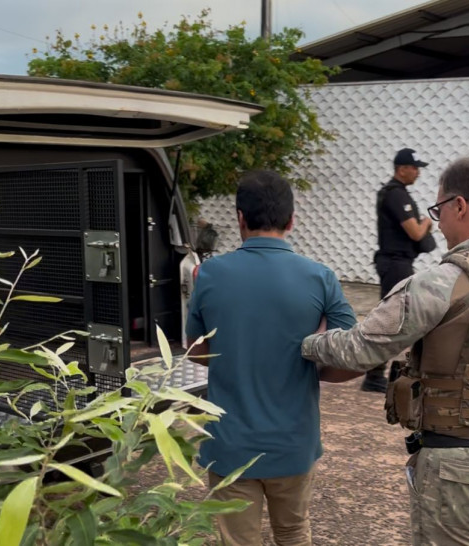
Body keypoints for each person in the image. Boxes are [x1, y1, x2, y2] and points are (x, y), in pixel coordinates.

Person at [302, 157, 469, 545]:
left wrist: (305, 343)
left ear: (459, 205)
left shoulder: (440, 283)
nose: (439, 221)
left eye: (439, 210)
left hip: (458, 472)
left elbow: (359, 351)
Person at [186, 170, 357, 546]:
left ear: (239, 218)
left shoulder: (210, 273)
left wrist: (238, 356)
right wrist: (304, 363)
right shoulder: (320, 277)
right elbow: (352, 355)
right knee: (294, 532)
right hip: (293, 442)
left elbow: (194, 348)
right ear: (292, 220)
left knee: (236, 539)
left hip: (229, 443)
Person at [364, 147, 434, 393]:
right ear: (401, 169)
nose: (418, 173)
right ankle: (375, 374)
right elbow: (415, 232)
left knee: (397, 318)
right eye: (414, 168)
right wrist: (427, 221)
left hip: (398, 262)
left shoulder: (397, 193)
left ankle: (376, 373)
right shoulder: (396, 195)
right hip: (395, 263)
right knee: (394, 318)